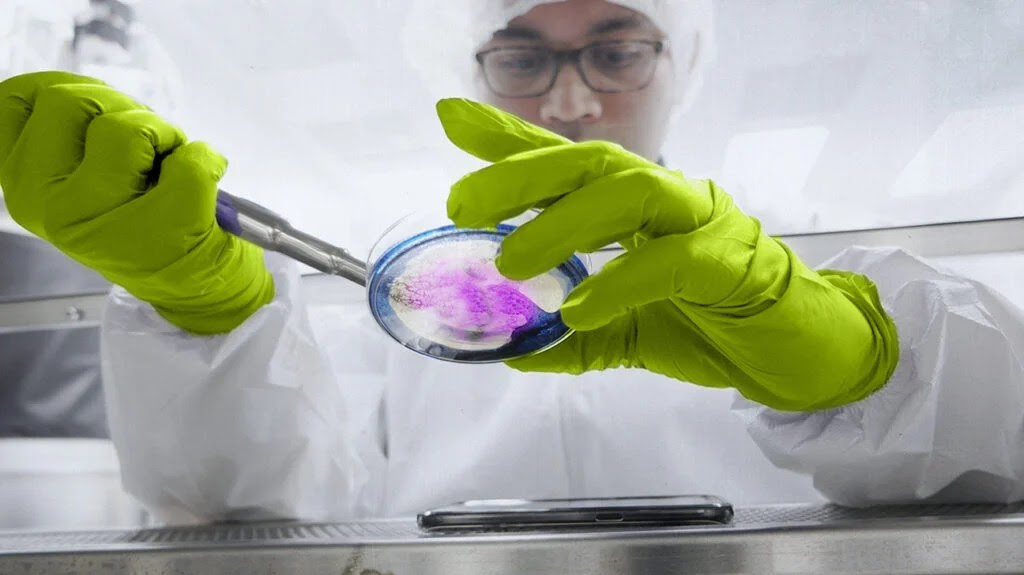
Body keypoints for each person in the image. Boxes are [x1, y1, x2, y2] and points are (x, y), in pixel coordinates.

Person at [1, 0, 1023, 525]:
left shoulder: (797, 236)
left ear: (683, 57)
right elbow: (261, 515)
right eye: (523, 56)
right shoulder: (388, 275)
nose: (571, 103)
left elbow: (997, 461)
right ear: (470, 68)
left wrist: (864, 357)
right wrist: (206, 310)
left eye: (616, 50)